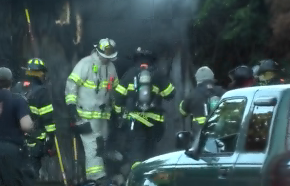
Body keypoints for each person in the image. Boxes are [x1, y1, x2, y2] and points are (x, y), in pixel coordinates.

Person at [64, 38, 127, 185]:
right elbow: (72, 84)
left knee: (101, 147)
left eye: (109, 57)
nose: (107, 59)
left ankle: (100, 177)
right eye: (105, 57)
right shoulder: (85, 64)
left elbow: (115, 90)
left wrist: (118, 109)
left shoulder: (111, 68)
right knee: (93, 147)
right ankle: (96, 179)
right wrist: (72, 106)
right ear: (98, 52)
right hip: (85, 116)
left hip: (102, 118)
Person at [114, 47, 175, 180]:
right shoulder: (158, 75)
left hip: (135, 123)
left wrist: (118, 115)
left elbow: (118, 96)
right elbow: (170, 94)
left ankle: (138, 179)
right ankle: (150, 179)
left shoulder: (130, 74)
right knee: (151, 154)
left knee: (136, 154)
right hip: (155, 124)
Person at [12, 58, 55, 179]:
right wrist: (51, 138)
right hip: (35, 142)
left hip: (17, 142)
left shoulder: (18, 87)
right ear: (39, 73)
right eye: (43, 73)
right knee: (31, 175)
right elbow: (47, 117)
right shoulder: (42, 91)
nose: (44, 76)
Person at [179, 66, 226, 135]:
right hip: (221, 135)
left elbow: (182, 112)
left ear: (197, 79)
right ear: (212, 77)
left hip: (200, 138)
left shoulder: (192, 95)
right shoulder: (223, 92)